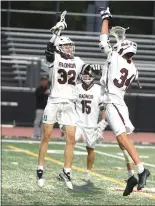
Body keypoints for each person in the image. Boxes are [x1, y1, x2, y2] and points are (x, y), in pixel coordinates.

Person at [36, 10, 101, 190]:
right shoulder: (54, 58)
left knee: (71, 139)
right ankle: (40, 169)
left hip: (70, 104)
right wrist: (55, 34)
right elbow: (48, 50)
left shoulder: (78, 61)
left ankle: (67, 171)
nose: (69, 48)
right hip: (55, 101)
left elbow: (89, 69)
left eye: (70, 46)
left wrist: (95, 69)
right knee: (46, 136)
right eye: (66, 46)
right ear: (60, 48)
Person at [98, 7, 150, 196]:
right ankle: (130, 176)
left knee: (121, 138)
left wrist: (105, 17)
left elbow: (103, 39)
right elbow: (128, 59)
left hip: (113, 101)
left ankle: (142, 169)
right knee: (123, 142)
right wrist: (121, 42)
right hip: (117, 102)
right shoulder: (133, 69)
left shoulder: (114, 56)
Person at [58, 69, 107, 182]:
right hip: (77, 123)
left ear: (93, 76)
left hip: (91, 124)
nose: (86, 77)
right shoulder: (77, 87)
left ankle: (88, 172)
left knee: (90, 148)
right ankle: (66, 171)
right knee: (70, 143)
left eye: (88, 75)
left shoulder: (98, 89)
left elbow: (102, 107)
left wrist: (103, 120)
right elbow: (69, 103)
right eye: (84, 75)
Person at [32, 76, 50, 140]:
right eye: (42, 80)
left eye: (45, 80)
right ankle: (35, 135)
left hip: (46, 109)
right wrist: (44, 93)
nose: (44, 82)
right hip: (39, 108)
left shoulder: (49, 89)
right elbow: (37, 95)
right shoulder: (38, 89)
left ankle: (42, 135)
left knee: (44, 123)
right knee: (37, 122)